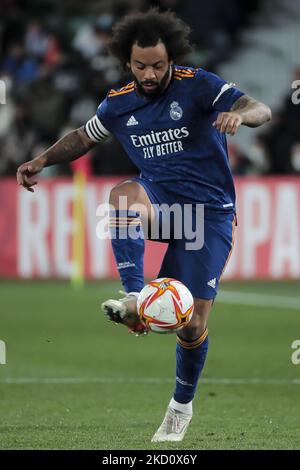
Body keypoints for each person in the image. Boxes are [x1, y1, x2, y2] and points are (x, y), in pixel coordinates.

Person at [16, 8, 271, 442]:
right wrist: (41, 159)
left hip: (207, 215)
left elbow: (259, 108)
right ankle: (134, 293)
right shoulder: (119, 103)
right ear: (127, 63)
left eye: (158, 64)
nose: (150, 73)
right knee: (122, 196)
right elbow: (83, 136)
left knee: (191, 324)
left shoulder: (200, 86)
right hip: (160, 202)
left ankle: (180, 406)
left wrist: (240, 116)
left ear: (171, 57)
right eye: (141, 66)